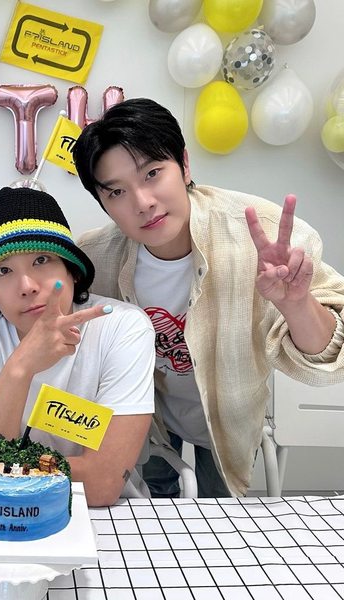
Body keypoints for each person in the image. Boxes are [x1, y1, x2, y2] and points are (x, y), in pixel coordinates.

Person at [72, 97, 344, 498]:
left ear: (184, 164)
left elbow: (328, 358)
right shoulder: (94, 259)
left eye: (152, 173)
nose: (142, 203)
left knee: (217, 515)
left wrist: (296, 304)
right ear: (102, 203)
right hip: (147, 421)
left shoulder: (264, 238)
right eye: (116, 192)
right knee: (155, 503)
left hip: (229, 421)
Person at [0, 185, 155, 507]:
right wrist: (20, 368)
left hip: (104, 513)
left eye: (41, 259)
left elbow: (102, 483)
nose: (26, 286)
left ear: (72, 271)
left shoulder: (121, 327)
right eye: (3, 270)